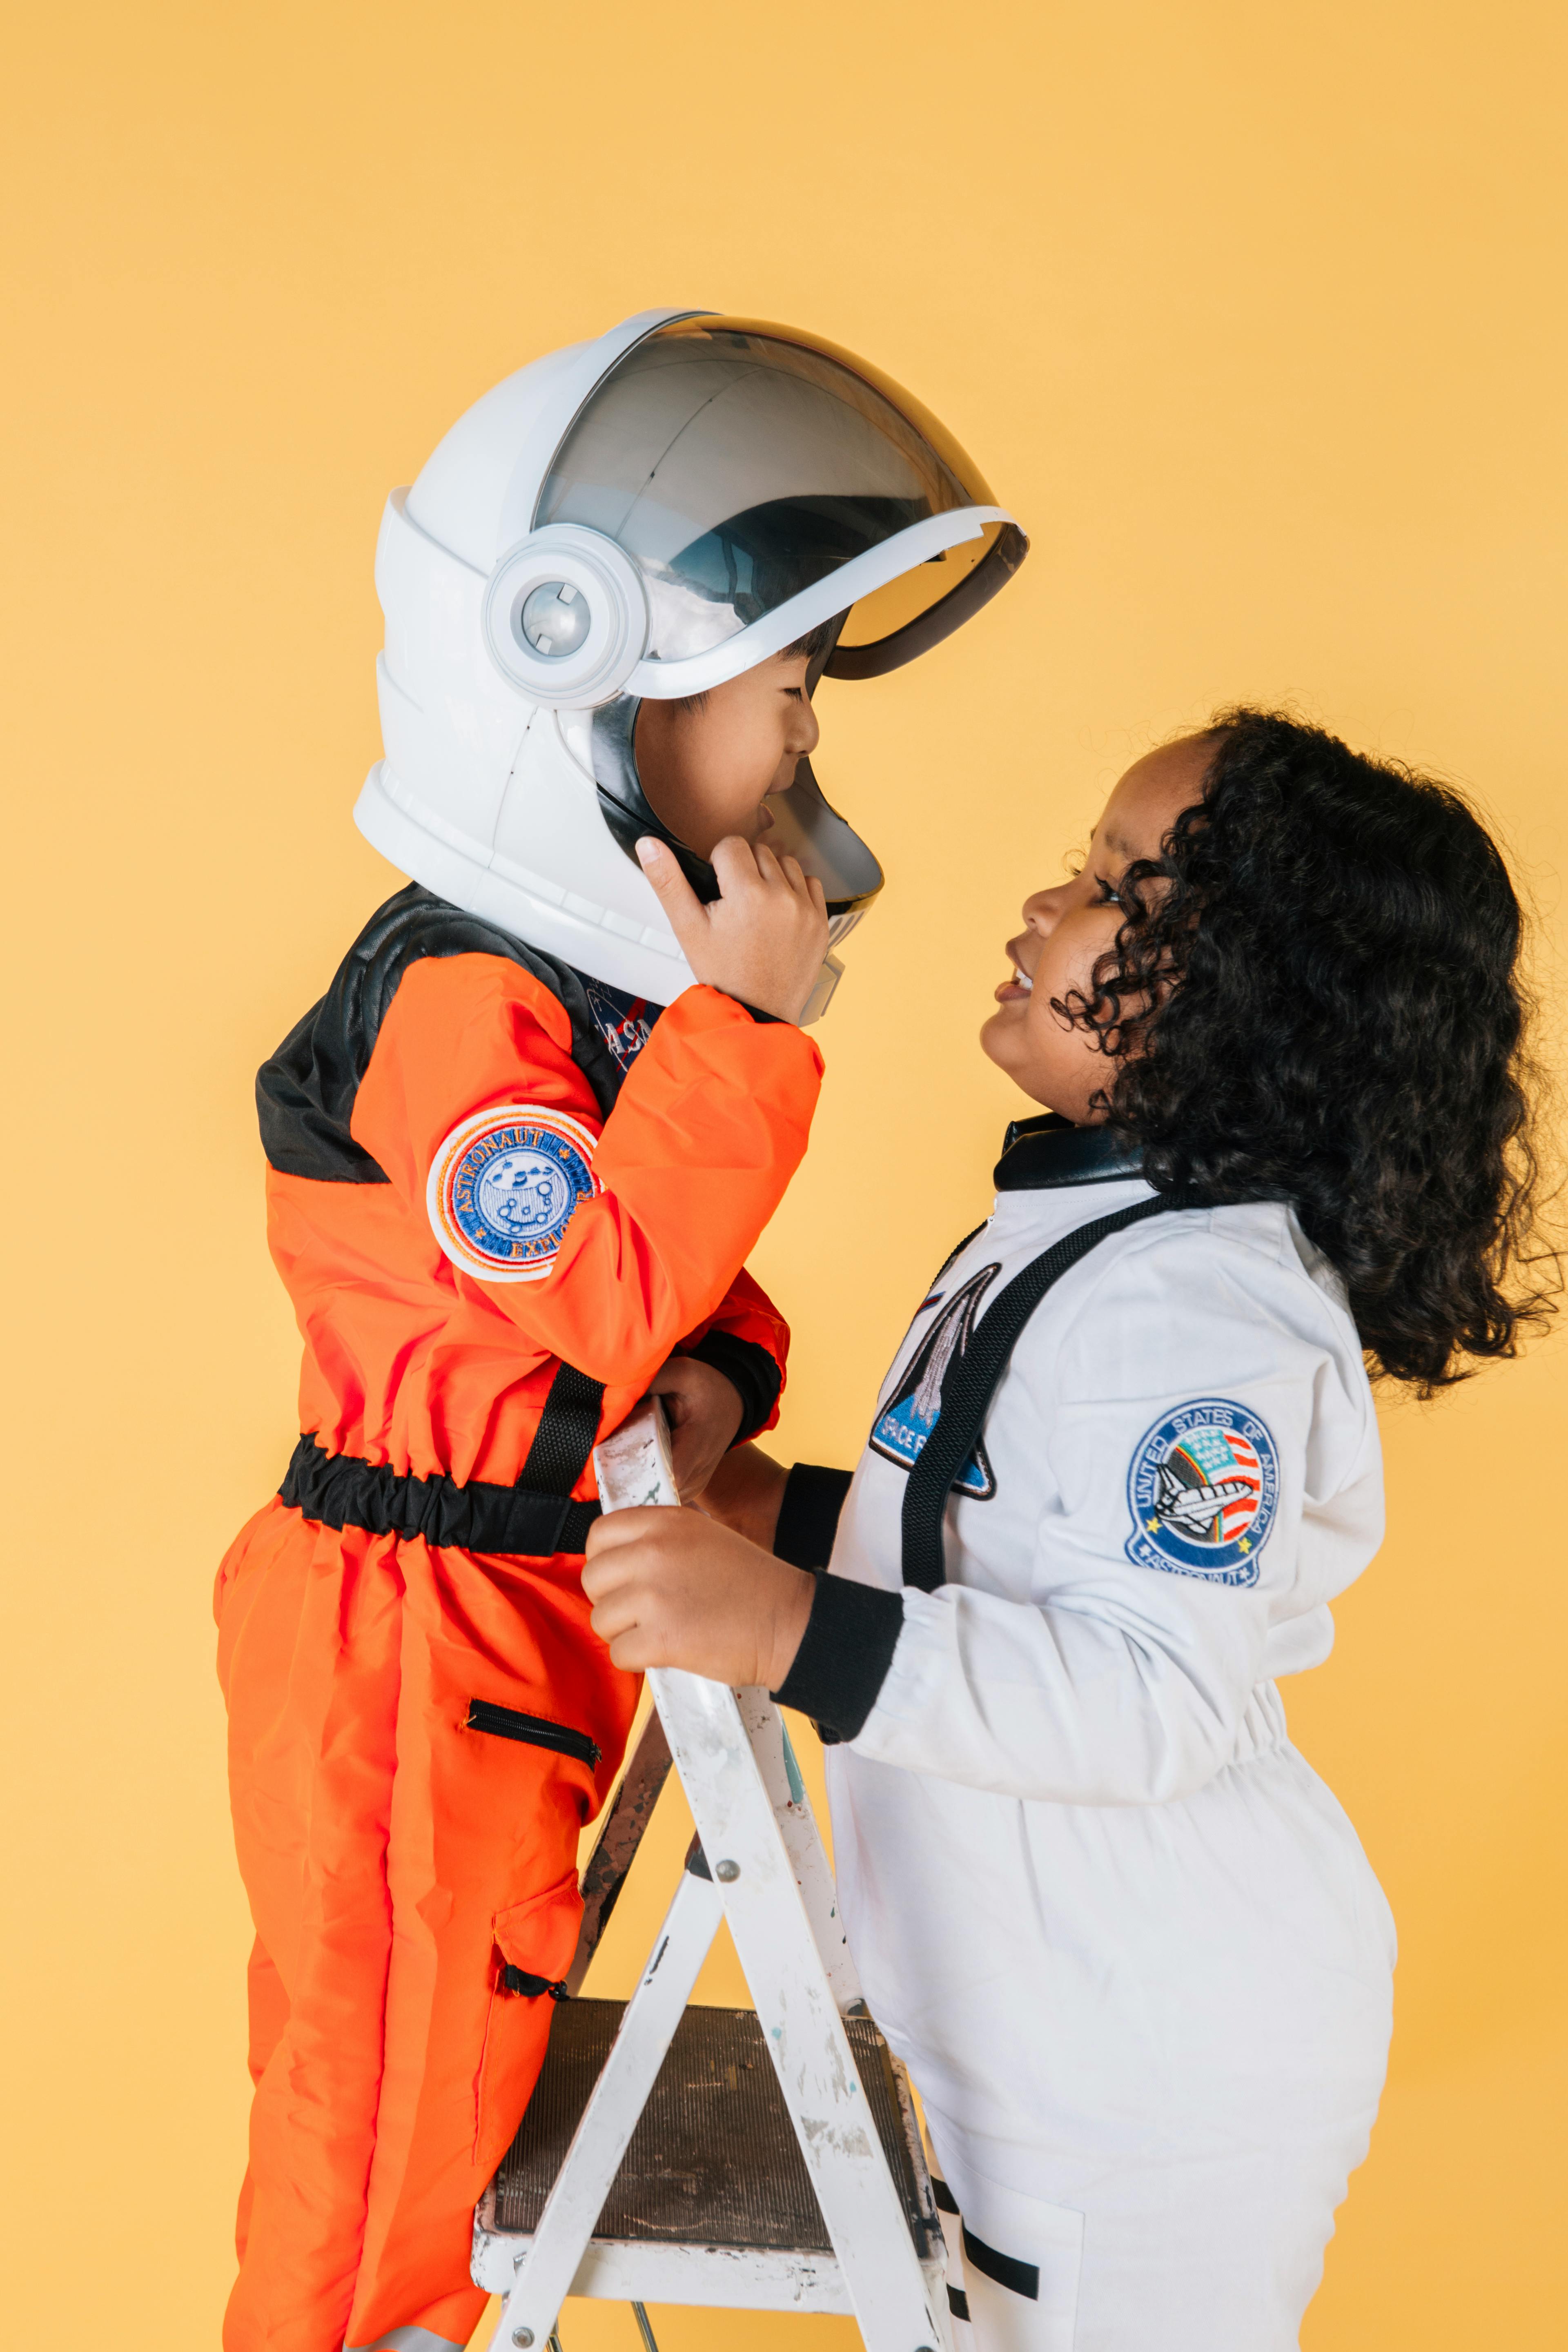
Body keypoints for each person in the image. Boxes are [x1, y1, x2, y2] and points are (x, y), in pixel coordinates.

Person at [215, 309, 1027, 2352]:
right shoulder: (450, 1010)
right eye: (783, 699)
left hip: (511, 1600)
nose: (806, 754)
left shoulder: (591, 1020)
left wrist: (718, 1368)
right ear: (592, 696)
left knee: (467, 2070)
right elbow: (593, 1280)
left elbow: (685, 1297)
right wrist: (736, 1029)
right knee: (388, 2108)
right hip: (406, 1633)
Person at [581, 708, 1557, 2352]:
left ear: (1250, 1003)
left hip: (1144, 2075)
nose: (1046, 910)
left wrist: (775, 1629)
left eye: (1117, 886)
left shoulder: (1189, 1307)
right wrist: (775, 1519)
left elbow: (1148, 1691)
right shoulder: (1092, 1236)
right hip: (1050, 2037)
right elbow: (996, 1542)